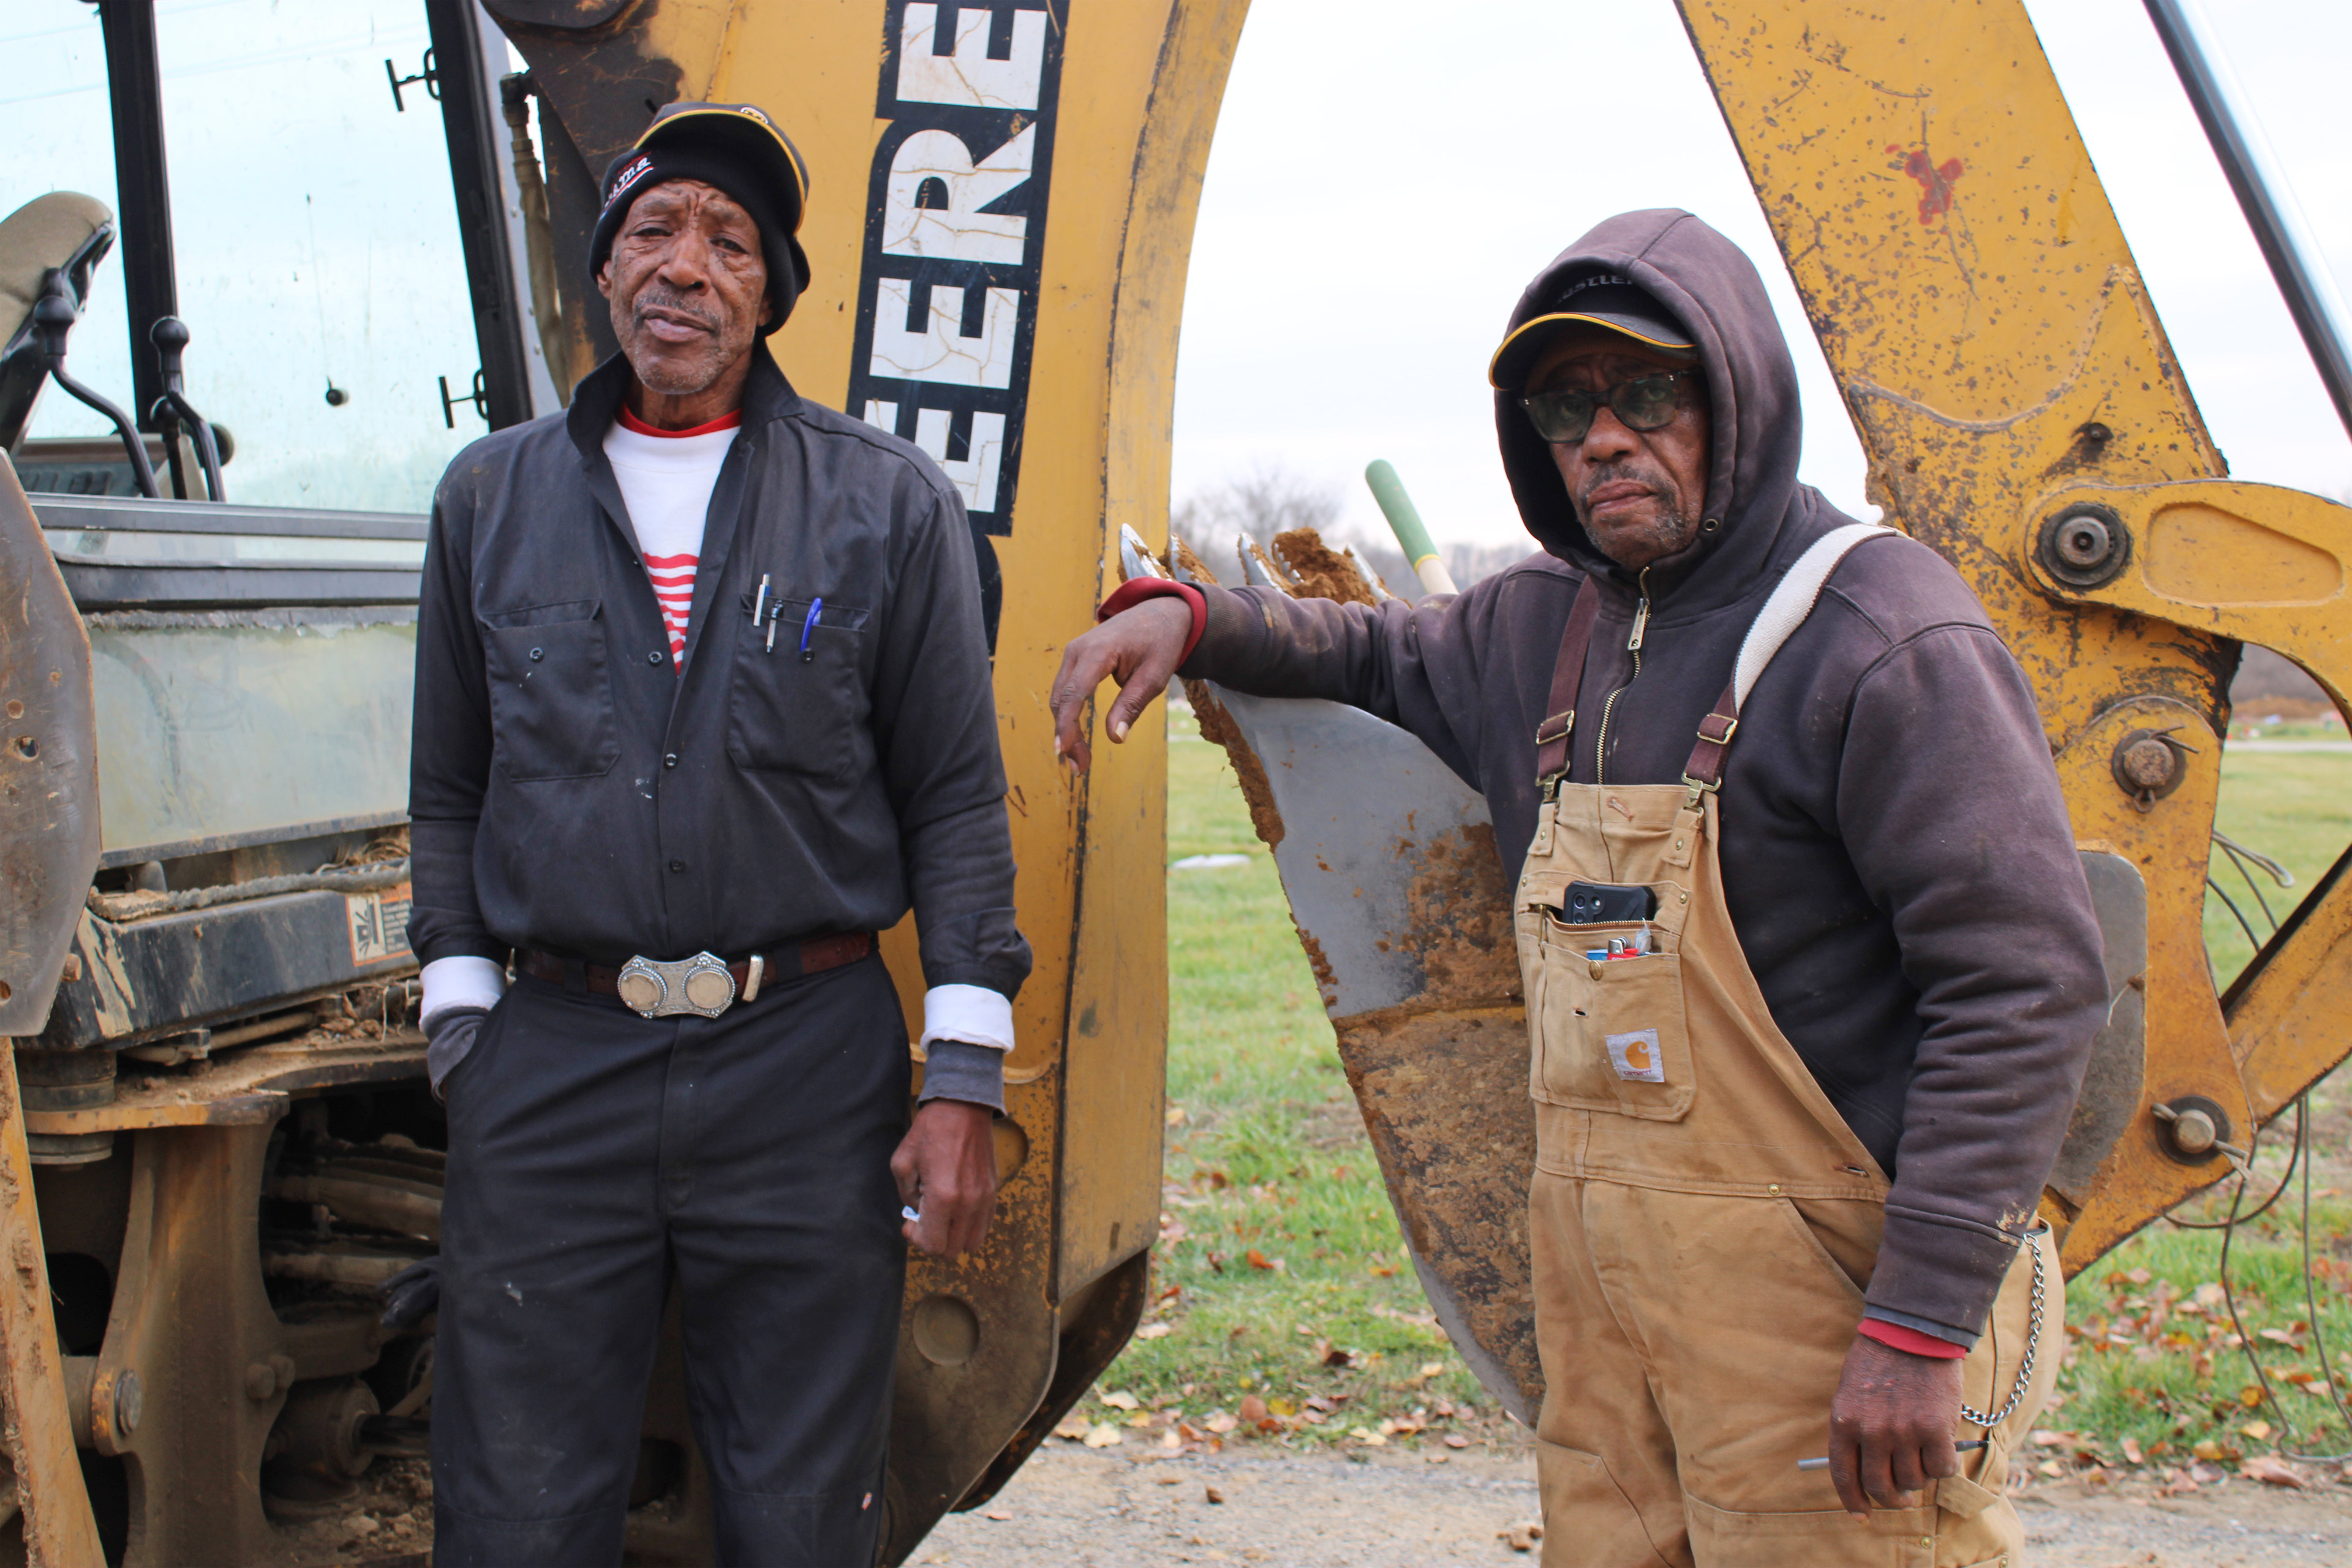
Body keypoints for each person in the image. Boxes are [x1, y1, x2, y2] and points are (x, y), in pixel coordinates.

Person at [1052, 209, 2106, 1564]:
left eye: (1650, 391)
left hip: (1829, 1323)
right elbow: (1374, 654)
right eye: (1565, 405)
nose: (1604, 435)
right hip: (1605, 1324)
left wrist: (1917, 1328)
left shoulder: (1882, 634)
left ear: (1739, 395)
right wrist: (1193, 614)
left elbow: (2025, 989)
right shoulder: (1544, 625)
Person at [405, 101, 1028, 1567]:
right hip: (552, 1062)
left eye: (727, 240)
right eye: (652, 230)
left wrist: (963, 1074)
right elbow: (447, 789)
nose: (685, 266)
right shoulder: (487, 502)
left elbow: (952, 797)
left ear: (771, 290)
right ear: (605, 275)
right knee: (513, 1511)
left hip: (804, 1067)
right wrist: (462, 1021)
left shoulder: (887, 506)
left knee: (804, 1515)